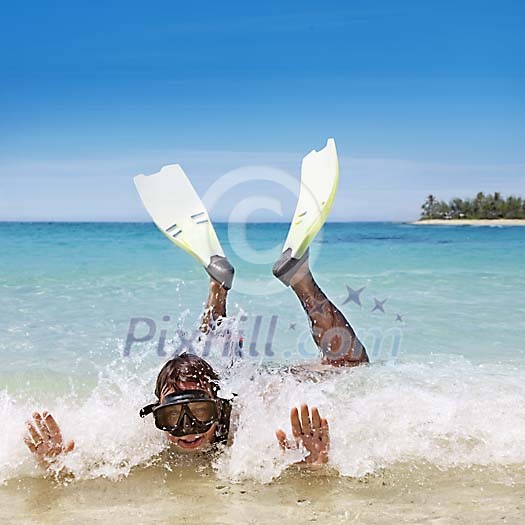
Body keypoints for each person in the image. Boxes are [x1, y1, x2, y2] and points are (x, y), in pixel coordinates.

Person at [24, 140, 369, 470]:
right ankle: (219, 285)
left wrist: (313, 464)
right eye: (172, 416)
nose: (187, 428)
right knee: (212, 354)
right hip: (213, 378)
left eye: (200, 412)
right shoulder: (147, 434)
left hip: (252, 384)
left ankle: (298, 280)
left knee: (352, 365)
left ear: (217, 405)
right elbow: (99, 465)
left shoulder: (249, 423)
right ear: (156, 413)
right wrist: (57, 462)